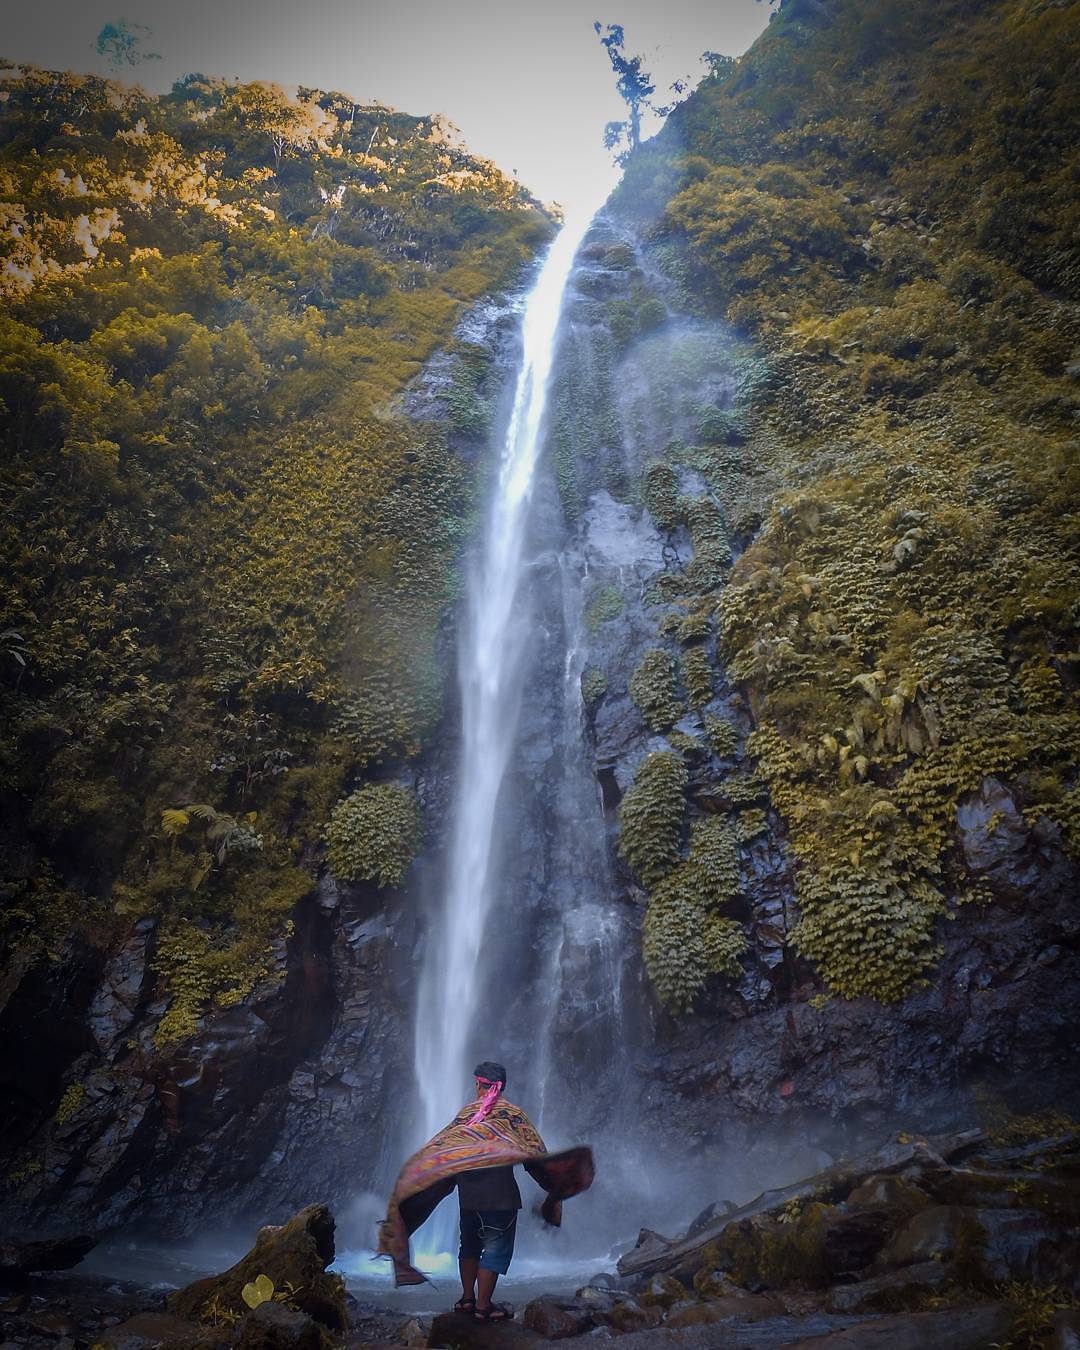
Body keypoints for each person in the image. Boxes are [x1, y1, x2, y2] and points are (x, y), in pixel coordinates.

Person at [378, 1057, 594, 1324]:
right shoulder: (513, 1116)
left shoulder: (466, 1116)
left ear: (479, 1085)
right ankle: (483, 1306)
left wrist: (420, 1181)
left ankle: (466, 1299)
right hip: (501, 1200)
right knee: (494, 1250)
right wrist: (552, 1183)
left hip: (468, 1199)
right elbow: (534, 1153)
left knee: (468, 1247)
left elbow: (442, 1149)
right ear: (501, 1087)